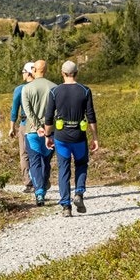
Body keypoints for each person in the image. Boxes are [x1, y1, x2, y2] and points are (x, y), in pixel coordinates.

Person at [47, 59, 98, 217]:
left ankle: (66, 207)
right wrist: (95, 137)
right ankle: (79, 193)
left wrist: (48, 136)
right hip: (79, 136)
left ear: (62, 73)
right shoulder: (85, 90)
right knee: (81, 164)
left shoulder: (55, 92)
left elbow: (48, 117)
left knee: (64, 169)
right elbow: (91, 116)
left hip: (61, 137)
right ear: (76, 73)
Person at [19, 59, 56, 206]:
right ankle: (43, 186)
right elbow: (56, 111)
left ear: (34, 70)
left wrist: (36, 125)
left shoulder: (27, 88)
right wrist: (47, 127)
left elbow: (27, 111)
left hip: (32, 131)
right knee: (46, 161)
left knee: (35, 162)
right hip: (51, 131)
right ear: (46, 70)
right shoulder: (54, 87)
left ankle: (39, 193)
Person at [7, 61, 36, 192]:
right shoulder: (40, 87)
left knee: (24, 154)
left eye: (23, 72)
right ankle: (41, 179)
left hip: (25, 124)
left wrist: (12, 127)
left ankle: (28, 182)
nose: (22, 74)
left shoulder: (20, 89)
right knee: (39, 153)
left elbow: (14, 110)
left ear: (28, 72)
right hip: (40, 123)